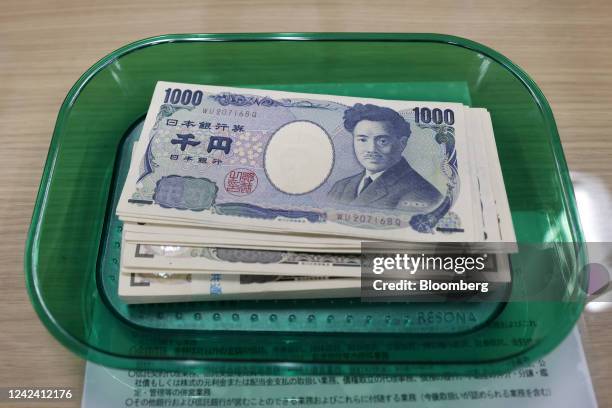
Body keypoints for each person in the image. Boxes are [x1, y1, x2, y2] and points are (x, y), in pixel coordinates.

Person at [327, 103, 442, 211]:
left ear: (402, 144)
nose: (371, 149)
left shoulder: (423, 194)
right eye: (362, 140)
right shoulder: (340, 187)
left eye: (382, 141)